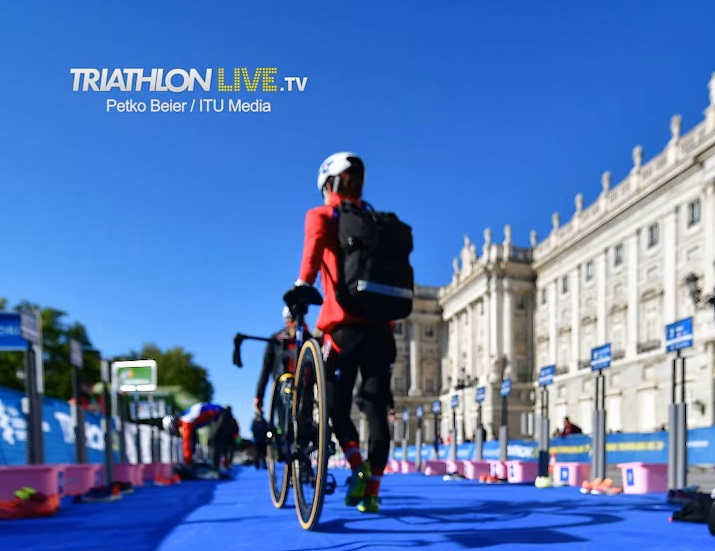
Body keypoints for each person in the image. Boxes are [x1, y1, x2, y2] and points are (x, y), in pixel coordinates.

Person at [286, 151, 396, 514]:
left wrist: (299, 290)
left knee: (335, 406)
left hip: (342, 328)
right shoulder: (376, 220)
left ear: (328, 184)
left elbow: (312, 259)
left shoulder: (322, 215)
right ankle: (373, 491)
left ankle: (356, 466)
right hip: (382, 330)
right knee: (377, 410)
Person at [253, 306, 310, 416]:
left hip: (304, 388)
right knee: (282, 415)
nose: (292, 323)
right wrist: (258, 395)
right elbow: (265, 369)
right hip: (281, 387)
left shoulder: (306, 338)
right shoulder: (275, 339)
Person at [209, 405, 239, 470]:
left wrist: (213, 435)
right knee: (225, 452)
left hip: (225, 438)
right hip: (227, 439)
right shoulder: (231, 419)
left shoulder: (223, 416)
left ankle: (219, 465)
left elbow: (236, 430)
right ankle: (224, 465)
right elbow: (236, 430)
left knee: (221, 452)